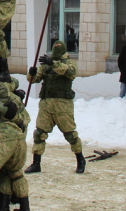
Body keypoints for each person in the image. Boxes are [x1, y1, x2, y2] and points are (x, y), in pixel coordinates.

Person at [24, 40, 85, 174]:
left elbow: (70, 73)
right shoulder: (46, 65)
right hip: (46, 104)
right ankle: (36, 163)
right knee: (39, 133)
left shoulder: (69, 62)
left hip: (63, 105)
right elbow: (34, 79)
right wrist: (32, 73)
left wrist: (54, 64)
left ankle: (80, 159)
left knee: (70, 134)